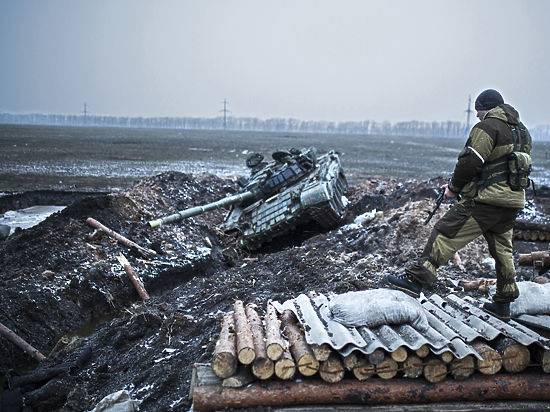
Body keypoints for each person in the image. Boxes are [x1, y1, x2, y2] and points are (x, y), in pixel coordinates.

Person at [386, 89, 532, 320]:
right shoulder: (522, 132)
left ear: (487, 108)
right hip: (512, 202)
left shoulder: (488, 127)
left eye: (478, 109)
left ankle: (416, 280)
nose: (476, 115)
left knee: (446, 231)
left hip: (487, 201)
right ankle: (504, 301)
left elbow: (470, 161)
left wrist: (453, 188)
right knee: (503, 250)